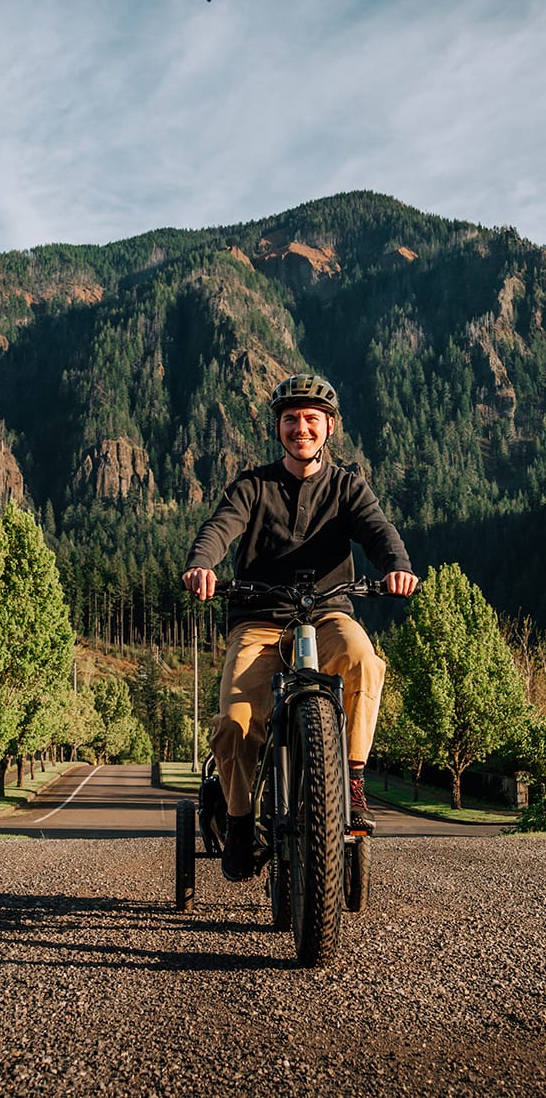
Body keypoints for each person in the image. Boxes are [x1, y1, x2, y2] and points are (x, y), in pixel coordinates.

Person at [181, 373, 417, 881]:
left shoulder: (348, 487)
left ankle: (350, 779)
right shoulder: (252, 486)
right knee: (235, 723)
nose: (300, 428)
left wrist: (396, 565)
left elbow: (378, 530)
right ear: (278, 428)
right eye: (291, 419)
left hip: (327, 614)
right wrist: (203, 564)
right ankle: (241, 820)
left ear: (329, 427)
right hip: (259, 621)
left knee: (363, 660)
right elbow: (219, 528)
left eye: (312, 419)